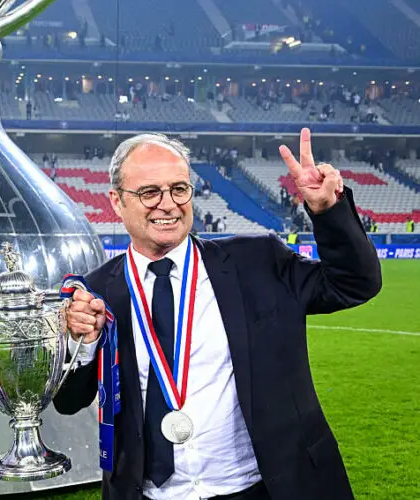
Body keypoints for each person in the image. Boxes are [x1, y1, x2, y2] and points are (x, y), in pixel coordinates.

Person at [57, 129, 381, 500]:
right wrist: (83, 343)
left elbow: (355, 283)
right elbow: (68, 402)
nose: (168, 204)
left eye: (179, 189)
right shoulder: (96, 293)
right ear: (116, 201)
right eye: (149, 192)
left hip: (265, 488)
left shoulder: (258, 261)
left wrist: (328, 212)